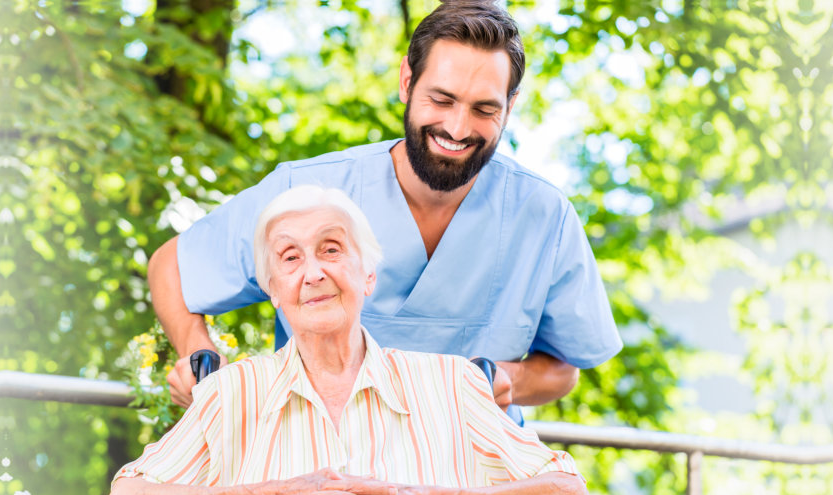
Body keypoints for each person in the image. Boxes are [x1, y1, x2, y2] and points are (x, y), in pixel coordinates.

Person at [147, 0, 620, 417]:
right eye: (442, 99)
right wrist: (196, 354)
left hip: (473, 475)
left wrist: (505, 382)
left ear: (510, 108)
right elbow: (172, 266)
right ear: (406, 81)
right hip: (321, 468)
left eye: (484, 109)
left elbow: (563, 370)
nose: (458, 127)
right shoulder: (310, 189)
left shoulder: (544, 216)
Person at [111, 185, 587, 495]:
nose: (314, 273)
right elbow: (129, 492)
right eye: (290, 258)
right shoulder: (231, 393)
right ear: (274, 291)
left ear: (368, 276)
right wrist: (269, 493)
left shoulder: (451, 384)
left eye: (331, 249)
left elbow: (567, 489)